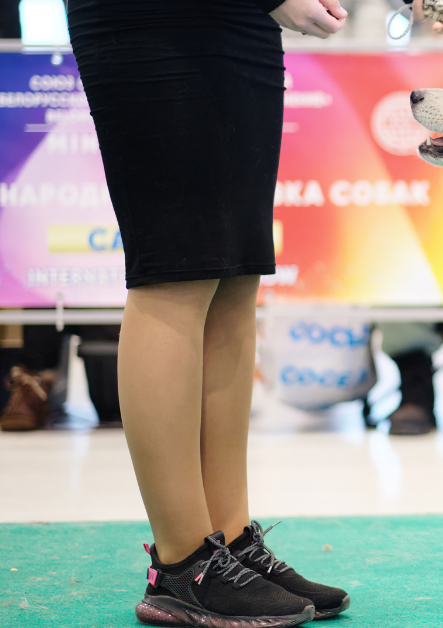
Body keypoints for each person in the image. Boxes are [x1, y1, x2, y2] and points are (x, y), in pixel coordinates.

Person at [66, 1, 358, 625]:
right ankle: (183, 561)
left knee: (234, 274)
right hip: (151, 20)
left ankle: (229, 542)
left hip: (240, 17)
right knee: (176, 269)